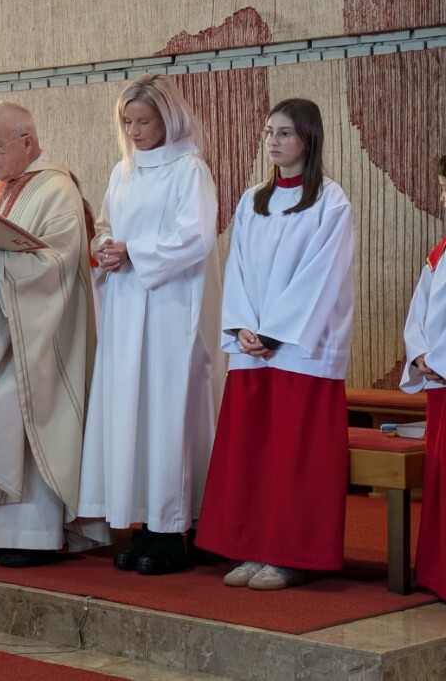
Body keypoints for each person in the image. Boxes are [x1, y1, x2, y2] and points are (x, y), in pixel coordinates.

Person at [196, 98, 355, 590]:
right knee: (254, 453)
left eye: (284, 133)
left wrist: (275, 332)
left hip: (302, 349)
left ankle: (289, 555)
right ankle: (252, 547)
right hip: (254, 346)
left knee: (292, 457)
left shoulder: (331, 202)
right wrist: (244, 327)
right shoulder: (252, 200)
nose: (273, 141)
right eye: (269, 132)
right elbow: (238, 267)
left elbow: (322, 275)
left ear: (308, 138)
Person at [76, 73, 225, 576]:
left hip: (169, 307)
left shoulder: (189, 169)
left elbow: (195, 236)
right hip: (125, 303)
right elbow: (105, 226)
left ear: (169, 118)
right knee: (130, 412)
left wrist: (134, 252)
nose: (135, 132)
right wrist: (104, 246)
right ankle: (143, 521)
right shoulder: (123, 172)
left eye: (144, 121)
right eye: (127, 122)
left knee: (166, 411)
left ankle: (173, 527)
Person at [0, 101, 95, 568]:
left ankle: (34, 534)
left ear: (27, 142)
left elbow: (60, 264)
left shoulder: (57, 190)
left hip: (36, 339)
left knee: (25, 418)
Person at [400, 154, 446, 600]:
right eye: (445, 189)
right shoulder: (439, 253)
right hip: (439, 386)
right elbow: (420, 312)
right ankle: (437, 571)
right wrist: (419, 356)